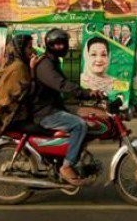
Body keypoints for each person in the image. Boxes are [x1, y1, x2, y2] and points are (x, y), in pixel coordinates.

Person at [30, 28, 100, 186]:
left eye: (64, 44)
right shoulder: (45, 65)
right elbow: (61, 85)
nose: (63, 47)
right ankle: (67, 166)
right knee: (79, 124)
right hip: (45, 112)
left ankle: (70, 155)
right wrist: (86, 93)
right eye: (59, 44)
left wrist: (89, 95)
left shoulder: (53, 61)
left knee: (89, 117)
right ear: (50, 45)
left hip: (54, 107)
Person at [0, 34, 34, 136]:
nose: (32, 51)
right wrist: (32, 69)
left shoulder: (12, 64)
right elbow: (19, 93)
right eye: (29, 47)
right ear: (20, 49)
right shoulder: (19, 68)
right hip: (15, 116)